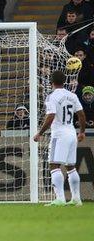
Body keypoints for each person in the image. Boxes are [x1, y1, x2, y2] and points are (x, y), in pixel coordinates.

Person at [33, 71, 86, 206]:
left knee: (54, 165)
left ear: (51, 82)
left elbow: (51, 116)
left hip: (59, 134)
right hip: (71, 133)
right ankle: (76, 199)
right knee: (71, 167)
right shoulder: (72, 95)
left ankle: (60, 199)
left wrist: (40, 132)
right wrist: (82, 132)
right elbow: (81, 114)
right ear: (64, 82)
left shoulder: (52, 97)